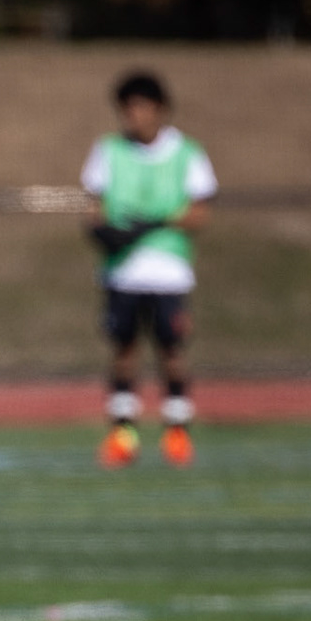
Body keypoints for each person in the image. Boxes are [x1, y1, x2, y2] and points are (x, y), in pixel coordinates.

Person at [82, 71, 216, 468]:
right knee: (123, 349)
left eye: (140, 107)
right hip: (122, 271)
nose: (133, 116)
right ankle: (123, 434)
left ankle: (177, 432)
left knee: (171, 350)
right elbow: (96, 208)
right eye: (127, 108)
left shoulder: (186, 152)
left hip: (167, 270)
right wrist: (104, 232)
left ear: (159, 108)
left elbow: (199, 213)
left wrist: (155, 224)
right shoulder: (108, 150)